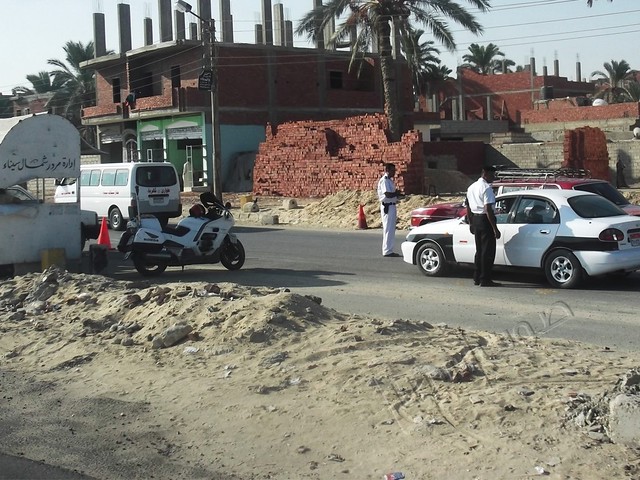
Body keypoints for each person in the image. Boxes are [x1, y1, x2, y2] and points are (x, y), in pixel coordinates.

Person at [466, 165, 501, 286]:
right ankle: (485, 279)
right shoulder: (486, 188)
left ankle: (477, 277)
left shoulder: (471, 187)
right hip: (485, 221)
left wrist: (471, 223)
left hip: (476, 220)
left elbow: (468, 208)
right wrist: (495, 228)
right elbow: (488, 209)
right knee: (488, 252)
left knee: (479, 250)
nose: (493, 177)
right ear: (484, 173)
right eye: (492, 175)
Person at [377, 162, 402, 257]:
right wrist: (396, 194)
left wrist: (397, 194)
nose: (394, 172)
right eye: (392, 170)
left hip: (392, 205)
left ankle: (389, 249)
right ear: (387, 170)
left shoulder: (390, 180)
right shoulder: (385, 180)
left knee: (391, 228)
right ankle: (387, 250)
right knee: (388, 228)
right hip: (387, 206)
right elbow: (387, 194)